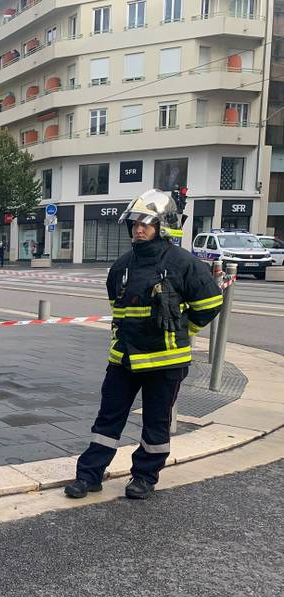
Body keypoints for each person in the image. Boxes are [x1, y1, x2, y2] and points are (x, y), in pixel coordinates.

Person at [64, 188, 223, 501]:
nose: (138, 229)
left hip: (165, 362)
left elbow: (211, 302)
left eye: (146, 223)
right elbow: (117, 307)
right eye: (135, 223)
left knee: (155, 423)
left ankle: (144, 478)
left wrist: (183, 329)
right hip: (123, 359)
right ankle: (89, 476)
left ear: (162, 226)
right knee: (107, 420)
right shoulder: (121, 266)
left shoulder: (184, 263)